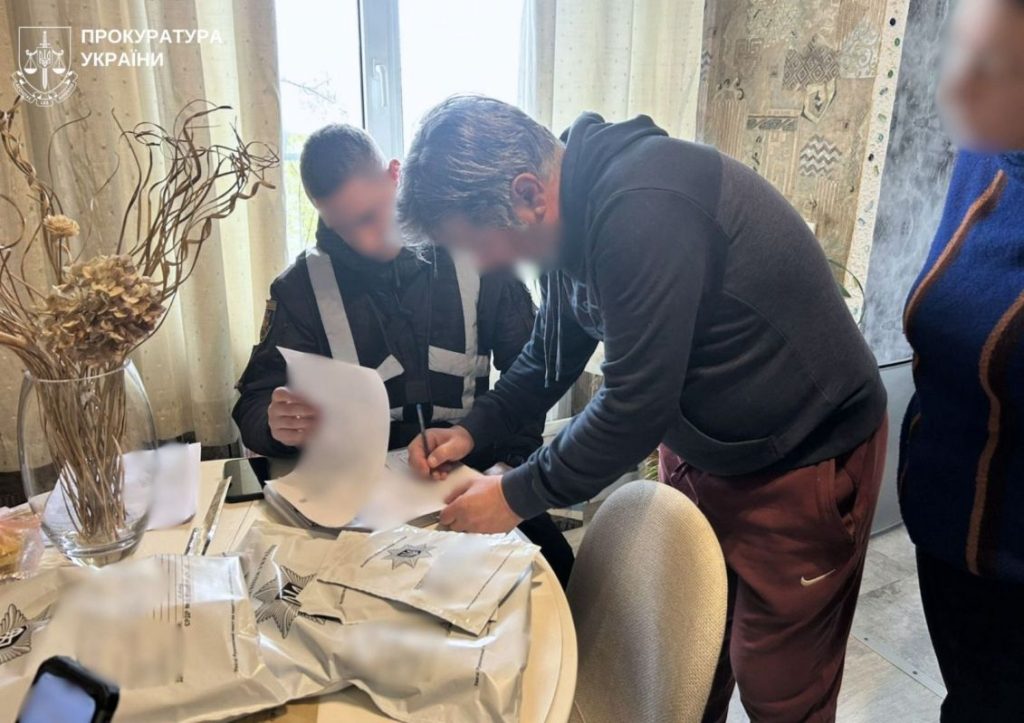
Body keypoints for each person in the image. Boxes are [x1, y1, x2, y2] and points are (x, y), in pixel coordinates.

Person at [398, 96, 888, 723]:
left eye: (478, 244)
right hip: (705, 445)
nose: (483, 263)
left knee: (780, 684)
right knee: (690, 655)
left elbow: (631, 407)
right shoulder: (565, 215)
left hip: (802, 453)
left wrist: (515, 496)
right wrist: (473, 431)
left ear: (526, 194)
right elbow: (550, 357)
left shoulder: (643, 207)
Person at [232, 123, 574, 586]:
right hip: (358, 502)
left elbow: (531, 369)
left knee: (558, 572)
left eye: (374, 215)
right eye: (346, 227)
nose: (368, 239)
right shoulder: (300, 289)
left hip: (478, 471)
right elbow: (254, 401)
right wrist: (274, 425)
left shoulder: (472, 244)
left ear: (395, 175)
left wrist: (509, 467)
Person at [898, 0, 1024, 719]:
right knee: (967, 700)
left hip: (1013, 564)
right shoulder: (984, 150)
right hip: (945, 527)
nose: (954, 88)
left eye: (994, 65)